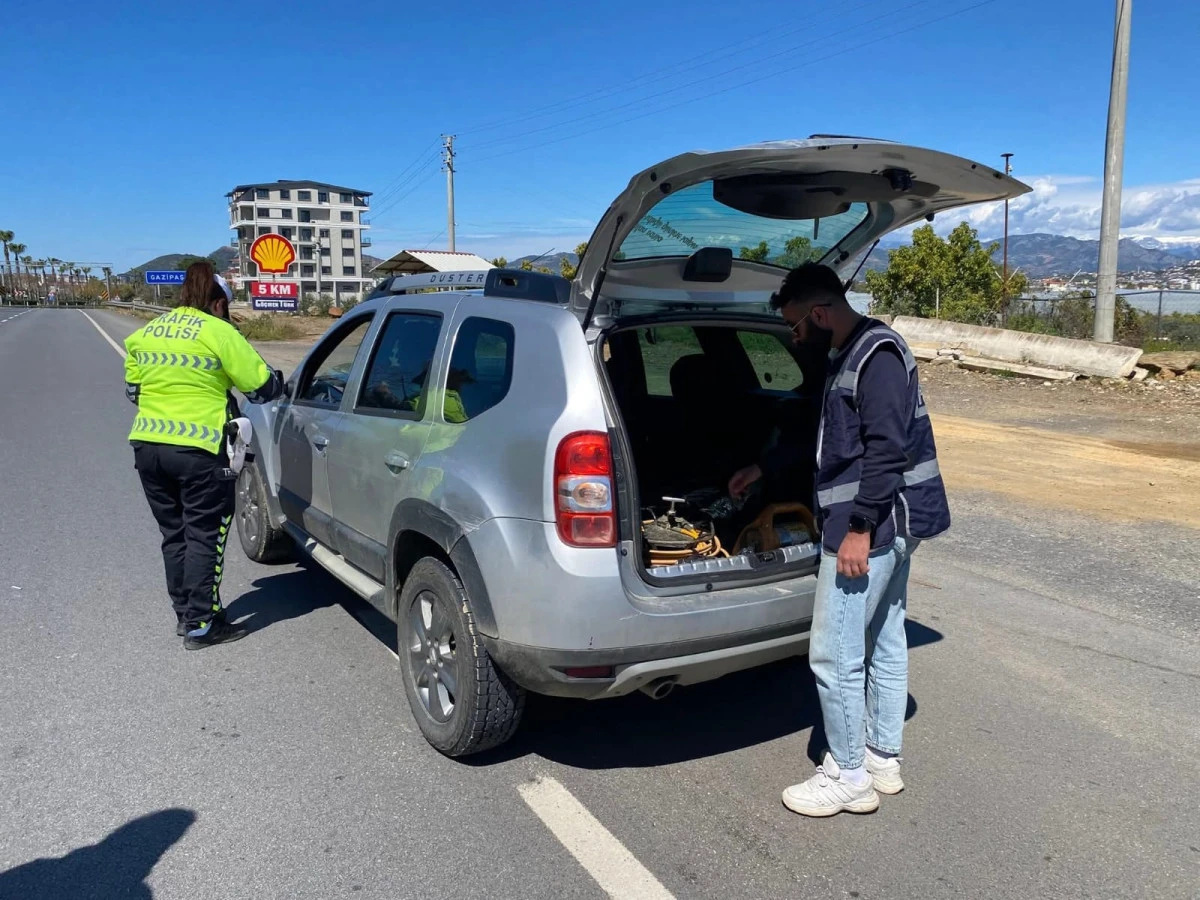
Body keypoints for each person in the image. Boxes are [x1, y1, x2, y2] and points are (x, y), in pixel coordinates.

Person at [728, 262, 950, 817]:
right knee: (884, 639)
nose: (795, 339)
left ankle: (848, 775)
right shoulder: (850, 354)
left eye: (796, 329)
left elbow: (886, 451)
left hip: (871, 526)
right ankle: (880, 757)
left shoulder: (875, 357)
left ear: (820, 313)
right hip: (890, 522)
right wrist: (761, 467)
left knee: (834, 653)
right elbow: (823, 435)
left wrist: (858, 529)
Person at [124, 261, 285, 650]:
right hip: (199, 451)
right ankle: (201, 624)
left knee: (174, 534)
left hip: (148, 448)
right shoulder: (218, 332)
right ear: (218, 304)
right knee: (205, 535)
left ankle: (187, 615)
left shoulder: (146, 333)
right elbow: (261, 387)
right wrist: (278, 380)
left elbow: (133, 391)